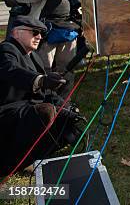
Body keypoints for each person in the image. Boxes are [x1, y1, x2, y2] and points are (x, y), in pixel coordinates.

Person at [0, 16, 76, 175]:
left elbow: (46, 92)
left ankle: (34, 158)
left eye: (41, 33)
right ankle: (11, 164)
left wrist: (66, 107)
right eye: (35, 32)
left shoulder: (33, 55)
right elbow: (11, 71)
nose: (39, 37)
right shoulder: (6, 50)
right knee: (44, 112)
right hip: (7, 113)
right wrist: (40, 80)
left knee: (66, 117)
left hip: (24, 111)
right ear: (16, 32)